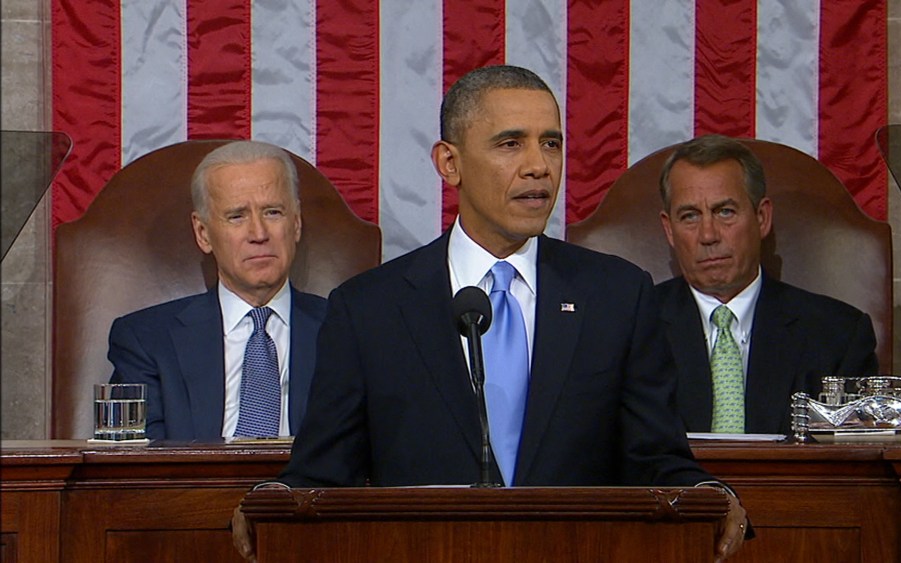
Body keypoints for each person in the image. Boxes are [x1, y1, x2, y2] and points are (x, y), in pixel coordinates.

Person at [232, 66, 748, 562]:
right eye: (510, 144)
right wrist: (273, 500)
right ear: (449, 163)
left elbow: (656, 459)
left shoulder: (616, 295)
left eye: (551, 143)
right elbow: (324, 472)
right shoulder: (370, 308)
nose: (539, 166)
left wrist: (708, 493)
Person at [655, 134, 879, 435]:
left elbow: (855, 455)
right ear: (669, 230)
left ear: (761, 218)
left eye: (725, 212)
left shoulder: (839, 335)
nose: (708, 235)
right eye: (690, 216)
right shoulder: (632, 328)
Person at [107, 140, 327, 440]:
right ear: (203, 233)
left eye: (273, 212)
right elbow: (137, 461)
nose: (259, 233)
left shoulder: (346, 330)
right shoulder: (146, 341)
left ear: (296, 223)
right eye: (237, 216)